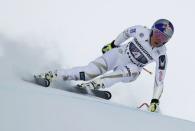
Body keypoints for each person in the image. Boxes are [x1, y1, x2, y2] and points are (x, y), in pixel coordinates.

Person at [36, 19, 174, 112]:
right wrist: (113, 44)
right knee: (88, 72)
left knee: (130, 70)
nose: (158, 39)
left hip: (132, 69)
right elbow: (126, 33)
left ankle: (94, 85)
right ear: (152, 30)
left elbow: (159, 80)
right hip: (119, 54)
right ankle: (52, 75)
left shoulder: (161, 54)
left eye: (164, 38)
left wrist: (155, 100)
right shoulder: (141, 31)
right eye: (157, 34)